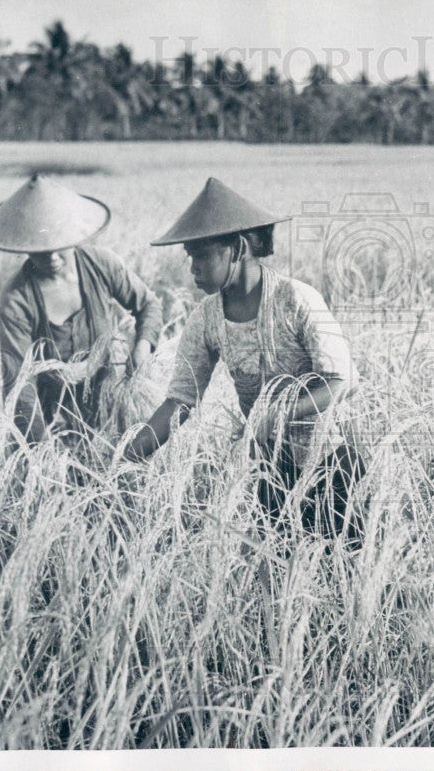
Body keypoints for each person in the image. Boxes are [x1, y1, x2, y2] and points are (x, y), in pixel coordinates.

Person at [123, 178, 363, 541]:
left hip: (332, 464)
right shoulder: (205, 319)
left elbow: (342, 381)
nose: (193, 269)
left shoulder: (296, 299)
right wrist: (128, 455)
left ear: (236, 248)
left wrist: (277, 414)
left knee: (342, 568)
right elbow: (180, 401)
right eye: (190, 257)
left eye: (201, 256)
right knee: (280, 577)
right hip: (270, 471)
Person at [0, 175, 163, 443]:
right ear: (25, 246)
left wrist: (142, 348)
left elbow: (148, 304)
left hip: (111, 412)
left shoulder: (101, 266)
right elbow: (21, 387)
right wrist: (43, 454)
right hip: (50, 424)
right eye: (41, 250)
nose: (52, 258)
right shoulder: (16, 299)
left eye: (59, 246)